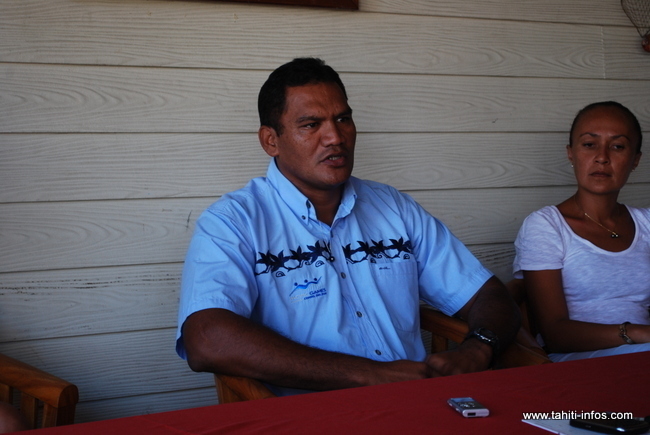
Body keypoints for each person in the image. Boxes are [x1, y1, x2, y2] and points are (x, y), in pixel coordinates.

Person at [176, 57, 520, 395]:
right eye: (311, 124)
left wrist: (478, 348)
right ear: (271, 140)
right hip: (311, 420)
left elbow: (486, 295)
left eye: (343, 119)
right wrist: (368, 376)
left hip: (418, 404)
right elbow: (206, 337)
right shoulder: (234, 221)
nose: (335, 137)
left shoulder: (394, 208)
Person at [513, 101, 650, 362]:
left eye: (618, 146)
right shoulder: (546, 226)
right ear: (571, 153)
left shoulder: (646, 224)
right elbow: (555, 334)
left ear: (635, 160)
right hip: (578, 363)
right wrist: (636, 333)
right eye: (589, 144)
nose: (602, 157)